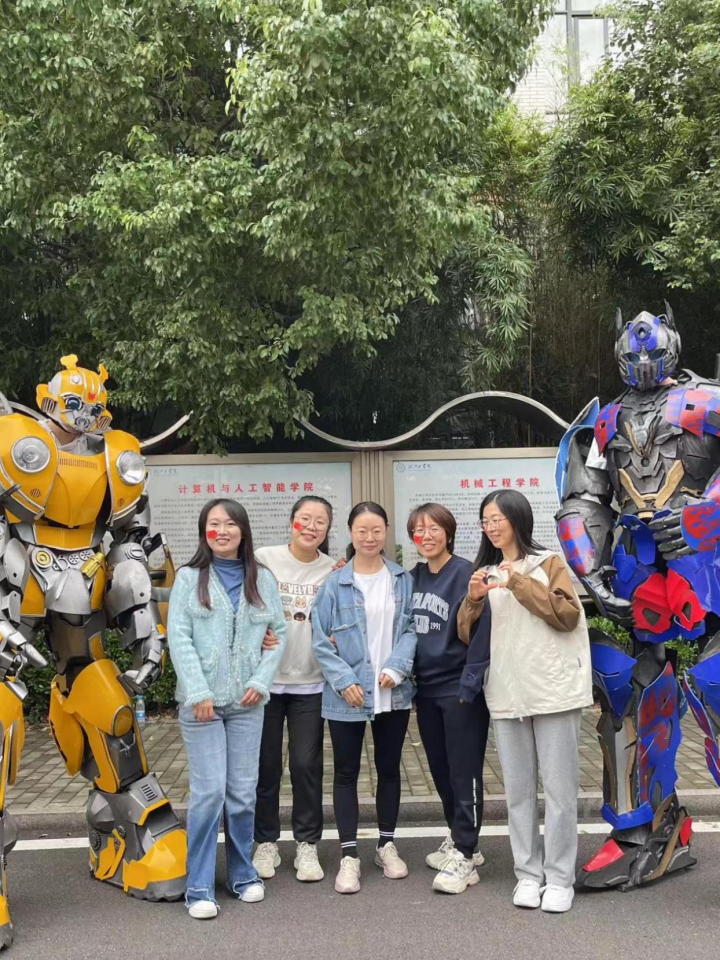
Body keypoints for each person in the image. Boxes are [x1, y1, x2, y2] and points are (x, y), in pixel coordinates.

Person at [458, 490, 592, 915]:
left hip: (553, 692)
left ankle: (560, 878)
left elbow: (566, 615)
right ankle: (528, 874)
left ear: (518, 519)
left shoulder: (547, 563)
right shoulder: (484, 572)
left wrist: (516, 581)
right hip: (506, 692)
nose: (491, 527)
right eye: (485, 520)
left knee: (559, 791)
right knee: (517, 792)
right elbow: (466, 634)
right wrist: (473, 600)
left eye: (497, 518)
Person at [168, 498, 287, 920]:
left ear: (243, 531)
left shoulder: (262, 578)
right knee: (209, 793)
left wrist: (260, 681)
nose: (222, 531)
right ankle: (199, 883)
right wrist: (197, 690)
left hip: (247, 704)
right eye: (214, 524)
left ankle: (241, 872)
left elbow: (278, 633)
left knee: (241, 792)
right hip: (202, 707)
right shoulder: (190, 578)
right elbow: (179, 637)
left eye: (230, 523)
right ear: (204, 531)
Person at [312, 502, 417, 894]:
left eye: (376, 530)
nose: (369, 537)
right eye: (362, 530)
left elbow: (412, 628)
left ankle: (386, 845)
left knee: (389, 770)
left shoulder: (402, 579)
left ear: (386, 531)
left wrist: (397, 667)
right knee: (345, 772)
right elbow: (320, 639)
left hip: (392, 690)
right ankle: (349, 855)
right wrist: (344, 681)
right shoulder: (334, 584)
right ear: (351, 532)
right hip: (348, 695)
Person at [407, 502, 491, 895]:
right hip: (425, 690)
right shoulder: (412, 578)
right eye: (419, 530)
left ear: (449, 532)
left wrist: (470, 684)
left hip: (459, 688)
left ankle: (467, 854)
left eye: (434, 528)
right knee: (440, 769)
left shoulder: (466, 574)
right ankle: (459, 838)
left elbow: (481, 631)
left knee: (464, 770)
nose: (426, 536)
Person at [252, 496, 337, 883]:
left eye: (321, 521)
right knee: (265, 766)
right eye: (305, 518)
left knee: (305, 765)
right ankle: (266, 841)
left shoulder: (332, 569)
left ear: (328, 529)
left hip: (311, 683)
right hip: (266, 682)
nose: (312, 526)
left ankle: (306, 844)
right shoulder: (263, 559)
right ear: (292, 522)